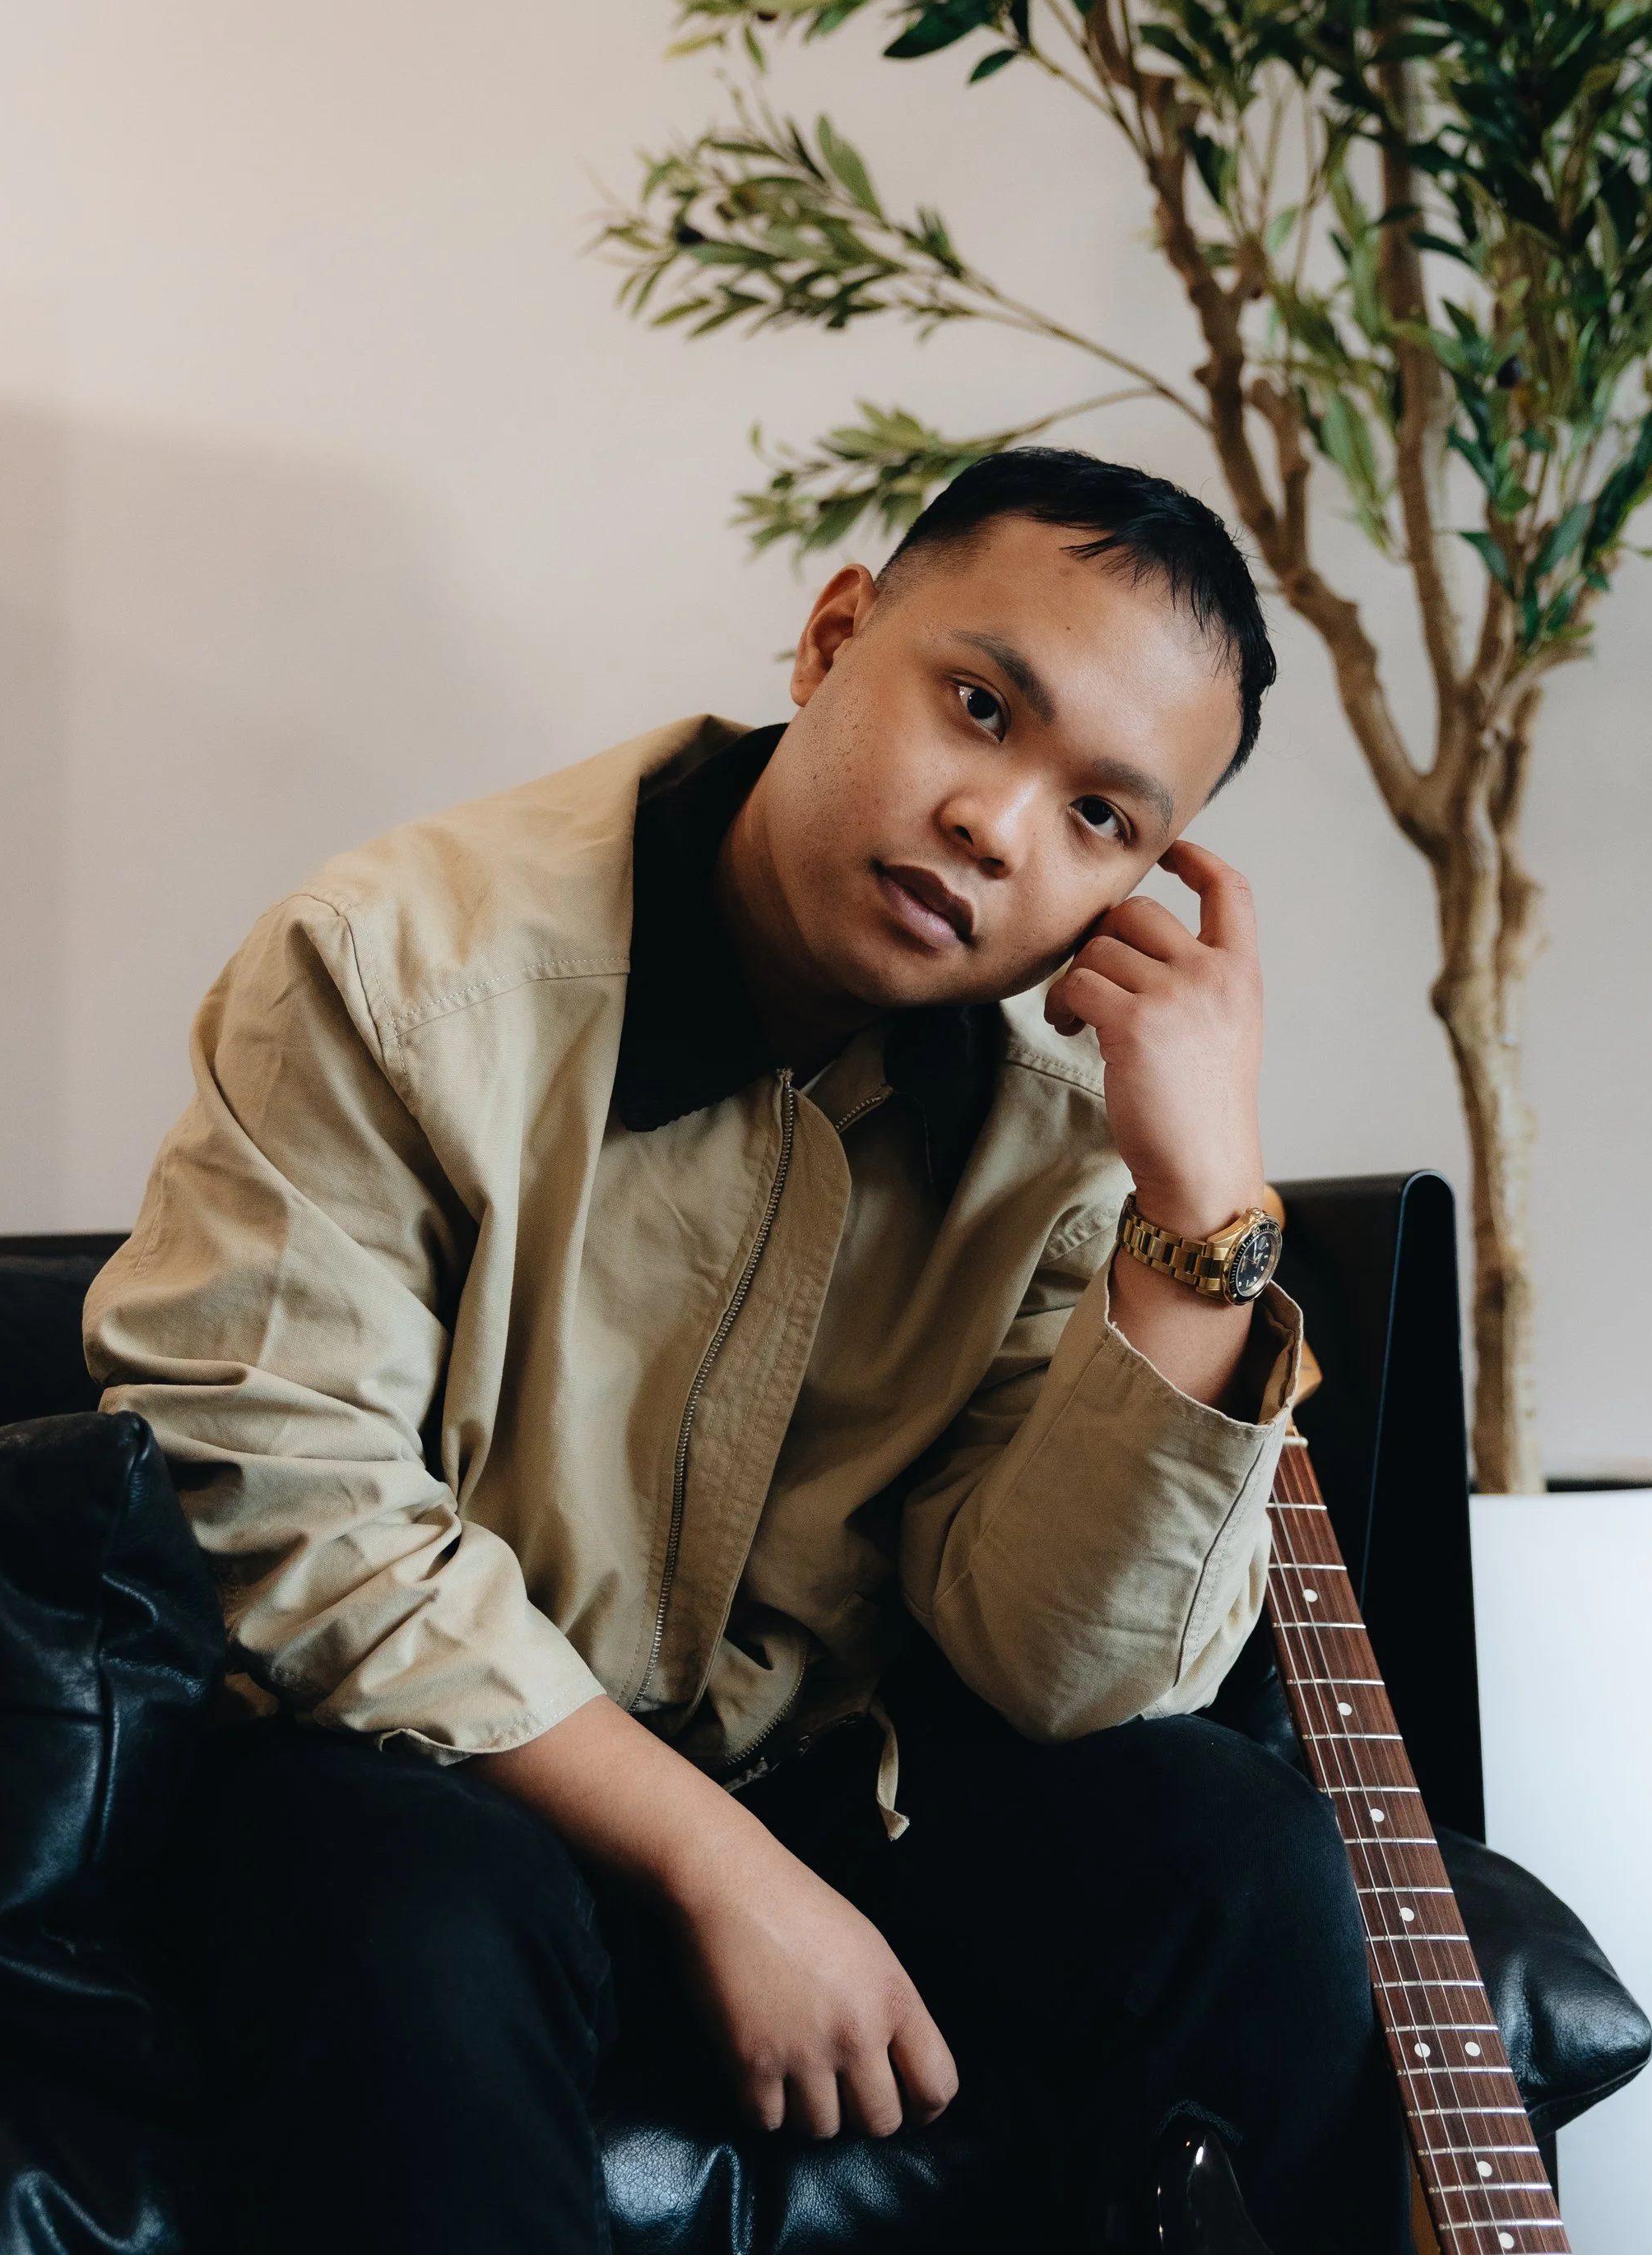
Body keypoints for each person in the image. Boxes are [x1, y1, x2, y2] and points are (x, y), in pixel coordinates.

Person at [86, 449, 1410, 2255]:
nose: (996, 825)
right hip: (422, 1778)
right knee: (390, 1902)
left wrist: (1196, 1214)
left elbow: (1059, 1667)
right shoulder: (401, 965)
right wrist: (715, 1866)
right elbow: (278, 1504)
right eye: (974, 705)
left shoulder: (1071, 1128)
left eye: (1100, 818)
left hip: (827, 1783)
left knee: (1236, 1857)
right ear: (831, 632)